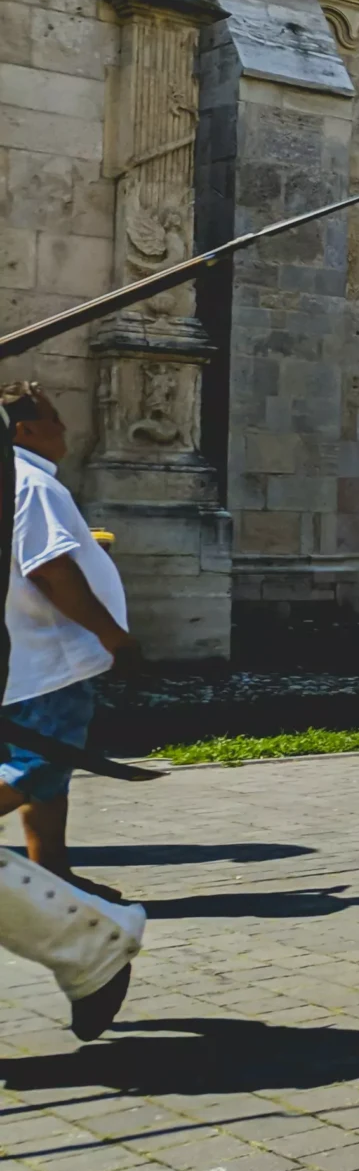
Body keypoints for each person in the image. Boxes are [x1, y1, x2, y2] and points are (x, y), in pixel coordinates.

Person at [0, 381, 146, 1042]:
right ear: (25, 430)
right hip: (51, 660)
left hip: (27, 662)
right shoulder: (31, 483)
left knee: (45, 771)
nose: (65, 430)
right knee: (36, 765)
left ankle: (53, 871)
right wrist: (111, 634)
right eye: (54, 420)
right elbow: (52, 571)